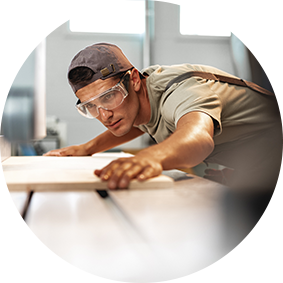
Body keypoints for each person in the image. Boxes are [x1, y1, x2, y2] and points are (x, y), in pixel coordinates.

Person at [44, 42, 283, 190]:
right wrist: (88, 148)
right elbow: (139, 124)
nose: (104, 115)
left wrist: (149, 157)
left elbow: (198, 138)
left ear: (134, 79)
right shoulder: (139, 100)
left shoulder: (182, 90)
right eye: (91, 106)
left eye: (108, 96)